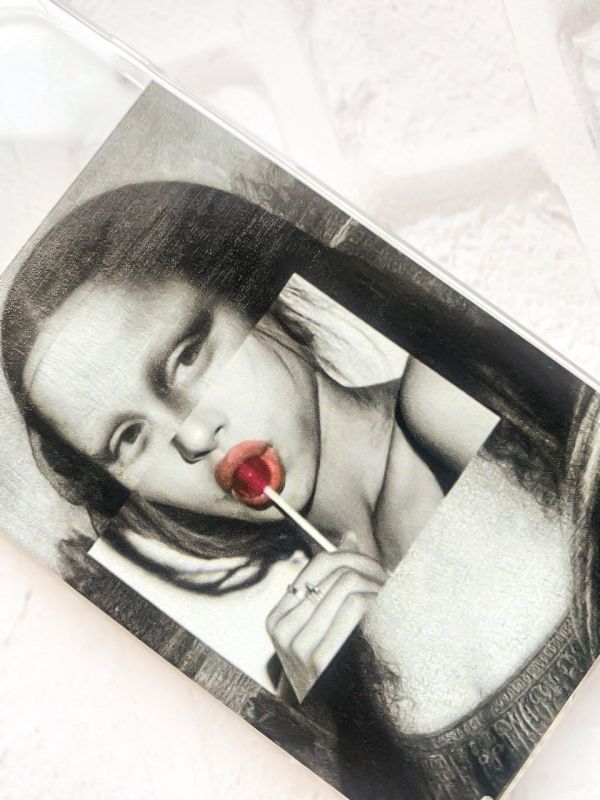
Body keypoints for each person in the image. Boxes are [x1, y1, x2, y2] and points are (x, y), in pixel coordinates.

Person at [3, 180, 598, 799]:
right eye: (128, 438)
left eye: (187, 356)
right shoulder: (301, 664)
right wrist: (347, 729)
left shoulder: (445, 406)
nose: (195, 436)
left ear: (253, 295)